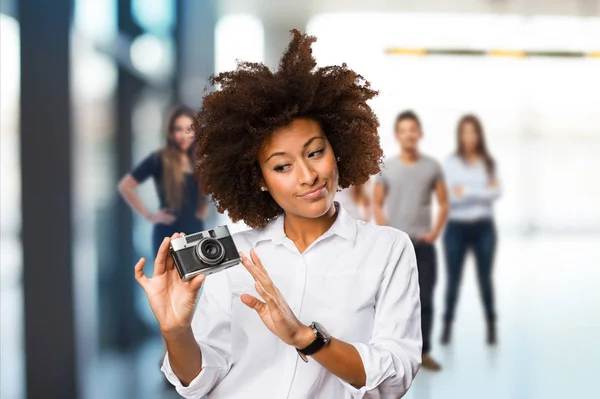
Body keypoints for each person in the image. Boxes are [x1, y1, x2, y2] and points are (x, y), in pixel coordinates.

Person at [132, 30, 422, 398]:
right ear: (261, 180)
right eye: (282, 166)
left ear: (338, 148)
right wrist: (175, 331)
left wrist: (305, 338)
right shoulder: (233, 255)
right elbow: (199, 381)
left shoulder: (387, 250)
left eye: (315, 152)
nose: (308, 175)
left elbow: (395, 375)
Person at [373, 110, 448, 371]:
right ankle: (388, 353)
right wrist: (386, 234)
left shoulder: (431, 166)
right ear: (398, 135)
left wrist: (435, 232)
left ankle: (423, 353)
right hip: (396, 245)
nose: (409, 135)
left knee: (425, 299)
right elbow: (378, 203)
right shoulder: (387, 167)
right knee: (390, 299)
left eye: (413, 130)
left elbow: (444, 201)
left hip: (423, 244)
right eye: (403, 130)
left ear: (419, 134)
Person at [441, 114, 501, 346]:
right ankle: (447, 326)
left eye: (473, 132)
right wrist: (481, 190)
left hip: (484, 227)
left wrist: (466, 191)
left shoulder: (488, 162)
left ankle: (491, 324)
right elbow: (451, 197)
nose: (469, 137)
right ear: (460, 135)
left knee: (485, 277)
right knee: (453, 279)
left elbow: (497, 193)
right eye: (465, 132)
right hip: (456, 227)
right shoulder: (451, 163)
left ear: (479, 135)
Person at [118, 106, 209, 255]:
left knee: (197, 278)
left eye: (189, 129)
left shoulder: (199, 160)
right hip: (167, 235)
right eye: (178, 129)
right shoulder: (160, 159)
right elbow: (125, 186)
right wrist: (149, 216)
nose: (183, 135)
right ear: (171, 132)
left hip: (195, 232)